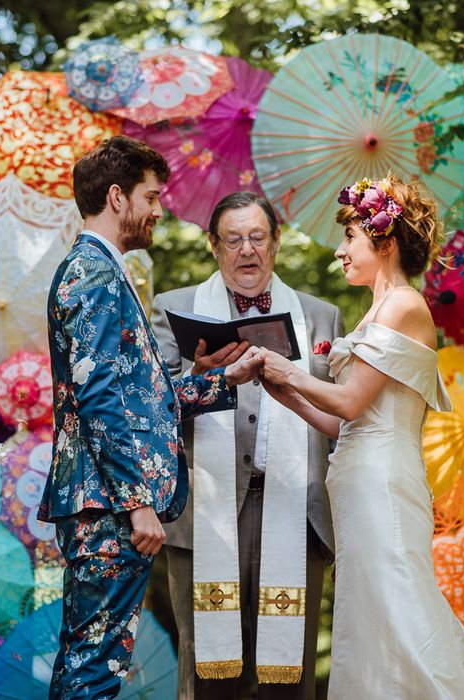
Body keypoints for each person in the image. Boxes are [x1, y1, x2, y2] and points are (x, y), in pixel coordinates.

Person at [255, 173, 464, 699]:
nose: (340, 251)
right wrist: (290, 396)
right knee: (371, 619)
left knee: (403, 616)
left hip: (383, 485)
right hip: (357, 480)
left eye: (350, 237)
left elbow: (350, 401)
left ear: (386, 243)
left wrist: (286, 371)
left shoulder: (403, 306)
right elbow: (342, 421)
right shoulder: (377, 309)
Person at [38, 136, 262, 700]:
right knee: (94, 666)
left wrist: (221, 381)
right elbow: (98, 397)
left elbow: (137, 396)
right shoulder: (92, 272)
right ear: (118, 197)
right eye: (151, 197)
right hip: (109, 505)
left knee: (95, 661)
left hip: (108, 501)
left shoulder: (106, 270)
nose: (159, 211)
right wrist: (137, 502)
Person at [151, 192, 344, 700]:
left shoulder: (321, 317)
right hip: (204, 516)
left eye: (258, 237)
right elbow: (149, 411)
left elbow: (344, 423)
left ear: (276, 243)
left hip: (296, 511)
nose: (247, 251)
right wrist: (199, 375)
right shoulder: (173, 310)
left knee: (291, 674)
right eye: (233, 240)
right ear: (213, 246)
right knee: (208, 674)